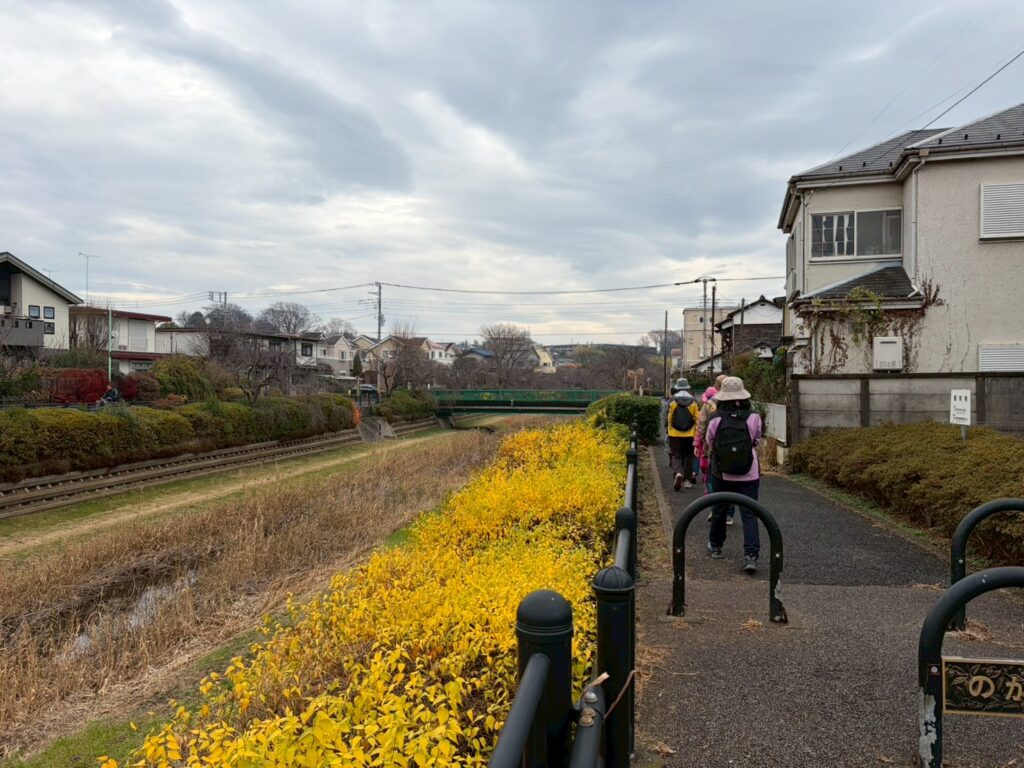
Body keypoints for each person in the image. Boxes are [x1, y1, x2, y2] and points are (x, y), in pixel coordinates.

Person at [705, 376, 762, 573]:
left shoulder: (716, 417)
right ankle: (751, 555)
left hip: (722, 472)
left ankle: (716, 546)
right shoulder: (753, 416)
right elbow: (756, 440)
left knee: (719, 510)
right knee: (749, 514)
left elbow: (710, 442)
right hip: (750, 473)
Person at [694, 375, 734, 525]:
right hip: (734, 447)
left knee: (711, 479)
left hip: (714, 449)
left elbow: (702, 426)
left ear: (716, 387)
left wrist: (699, 444)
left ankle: (716, 508)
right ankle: (729, 515)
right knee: (731, 481)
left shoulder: (709, 404)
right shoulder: (739, 403)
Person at [666, 387, 700, 491]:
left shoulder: (673, 401)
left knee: (676, 455)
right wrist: (697, 433)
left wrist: (668, 430)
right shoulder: (693, 402)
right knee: (689, 456)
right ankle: (687, 480)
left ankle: (679, 472)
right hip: (689, 434)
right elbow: (697, 419)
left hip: (674, 434)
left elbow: (669, 418)